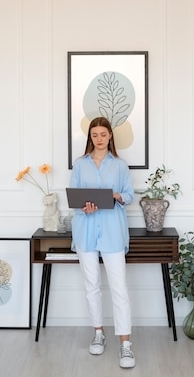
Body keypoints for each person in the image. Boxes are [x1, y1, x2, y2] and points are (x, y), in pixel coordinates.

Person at [69, 116, 136, 369]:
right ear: (90, 137)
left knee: (119, 288)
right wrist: (83, 207)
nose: (99, 139)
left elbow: (129, 195)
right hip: (85, 232)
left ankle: (125, 344)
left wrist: (118, 195)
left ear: (110, 136)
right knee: (92, 286)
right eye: (94, 135)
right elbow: (74, 198)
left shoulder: (120, 166)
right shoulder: (80, 165)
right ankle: (98, 332)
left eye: (103, 134)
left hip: (112, 232)